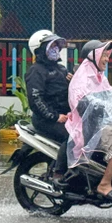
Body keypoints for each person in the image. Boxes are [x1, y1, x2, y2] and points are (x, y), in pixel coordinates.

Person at [66, 40, 112, 202]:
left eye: (107, 55)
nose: (106, 59)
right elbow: (87, 104)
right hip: (87, 129)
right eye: (103, 55)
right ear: (93, 56)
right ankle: (104, 184)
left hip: (101, 125)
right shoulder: (81, 79)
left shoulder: (98, 76)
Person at [25, 30, 71, 182]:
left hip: (65, 116)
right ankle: (59, 173)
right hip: (46, 120)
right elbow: (35, 99)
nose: (56, 49)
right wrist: (55, 117)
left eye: (57, 45)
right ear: (40, 50)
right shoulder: (36, 71)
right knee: (72, 136)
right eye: (51, 46)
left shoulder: (61, 69)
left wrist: (73, 81)